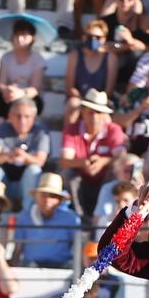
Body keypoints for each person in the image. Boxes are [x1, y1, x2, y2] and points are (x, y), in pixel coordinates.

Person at [61, 88, 127, 219]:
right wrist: (83, 163)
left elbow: (122, 157)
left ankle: (105, 216)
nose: (94, 117)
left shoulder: (113, 130)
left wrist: (103, 161)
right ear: (82, 111)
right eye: (90, 112)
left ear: (104, 115)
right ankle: (80, 217)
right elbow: (64, 161)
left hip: (105, 178)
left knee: (117, 171)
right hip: (81, 180)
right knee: (68, 174)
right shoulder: (71, 129)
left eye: (98, 112)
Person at [0, 96, 50, 210]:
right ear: (10, 116)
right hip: (4, 183)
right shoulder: (2, 129)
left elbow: (40, 161)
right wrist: (8, 156)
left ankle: (28, 212)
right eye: (18, 116)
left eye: (27, 116)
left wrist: (24, 157)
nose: (22, 121)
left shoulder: (41, 132)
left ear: (34, 118)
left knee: (34, 170)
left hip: (26, 186)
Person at [14, 172, 81, 268]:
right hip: (30, 267)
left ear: (59, 200)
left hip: (63, 267)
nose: (47, 200)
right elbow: (17, 248)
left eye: (52, 196)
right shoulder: (24, 217)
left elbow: (78, 248)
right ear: (36, 197)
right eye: (43, 195)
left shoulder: (71, 219)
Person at [0, 17, 47, 122]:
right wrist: (7, 90)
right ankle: (0, 130)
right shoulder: (6, 57)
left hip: (29, 95)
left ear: (32, 38)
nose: (20, 39)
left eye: (24, 35)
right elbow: (1, 82)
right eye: (17, 35)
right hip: (9, 94)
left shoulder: (38, 59)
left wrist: (20, 93)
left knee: (25, 105)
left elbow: (36, 88)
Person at [63, 19, 118, 121]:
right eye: (89, 36)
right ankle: (69, 132)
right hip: (79, 99)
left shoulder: (110, 58)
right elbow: (70, 86)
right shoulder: (74, 56)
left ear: (104, 38)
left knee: (104, 115)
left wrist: (95, 102)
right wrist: (84, 102)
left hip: (100, 100)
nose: (93, 39)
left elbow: (109, 89)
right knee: (73, 105)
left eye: (98, 37)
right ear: (84, 37)